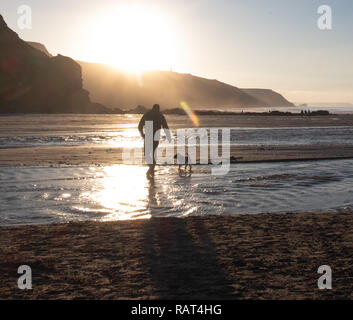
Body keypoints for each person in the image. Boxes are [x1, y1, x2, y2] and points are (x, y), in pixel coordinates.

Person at [138, 104, 171, 176]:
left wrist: (142, 134)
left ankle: (151, 168)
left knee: (147, 153)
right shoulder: (160, 115)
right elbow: (165, 127)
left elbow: (140, 125)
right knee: (152, 153)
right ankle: (151, 168)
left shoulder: (147, 114)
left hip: (149, 135)